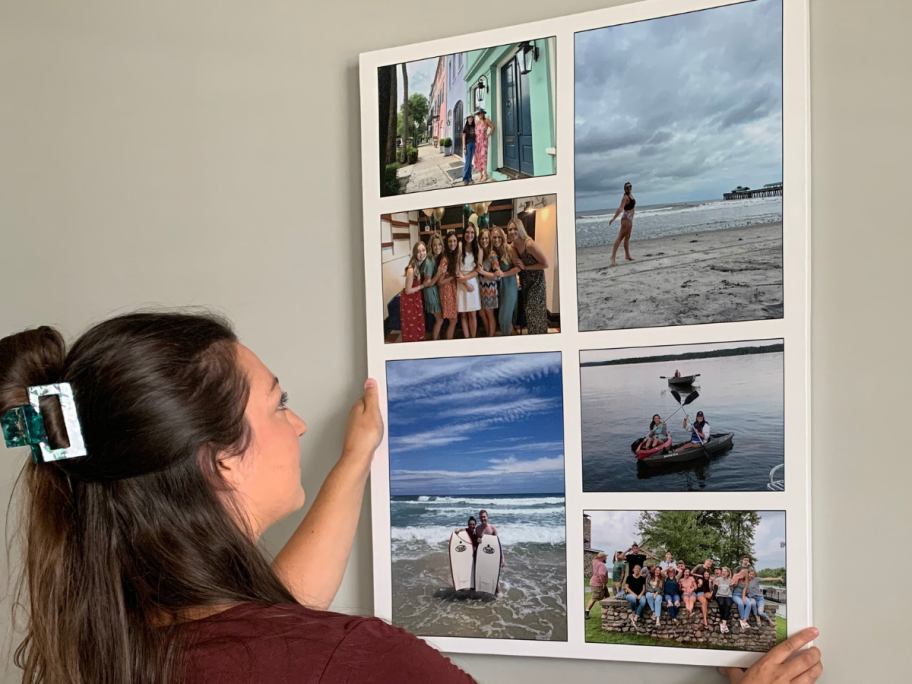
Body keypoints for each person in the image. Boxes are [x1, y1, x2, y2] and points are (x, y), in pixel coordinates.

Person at [0, 312, 823, 684]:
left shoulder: (105, 640)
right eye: (278, 403)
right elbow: (303, 642)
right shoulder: (351, 662)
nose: (297, 422)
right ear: (220, 464)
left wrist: (355, 458)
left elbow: (277, 611)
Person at [508, 218, 550, 335]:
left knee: (535, 312)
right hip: (525, 281)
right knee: (529, 313)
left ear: (520, 229)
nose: (512, 231)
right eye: (510, 229)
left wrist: (526, 268)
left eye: (515, 228)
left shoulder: (529, 244)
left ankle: (540, 339)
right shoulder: (513, 245)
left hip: (537, 281)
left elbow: (545, 264)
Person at [491, 226, 521, 336]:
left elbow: (518, 267)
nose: (496, 239)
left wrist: (504, 274)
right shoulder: (493, 252)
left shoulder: (509, 249)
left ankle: (508, 344)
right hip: (500, 288)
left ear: (503, 237)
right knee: (505, 319)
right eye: (494, 237)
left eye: (499, 237)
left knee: (504, 318)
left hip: (509, 287)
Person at [456, 218, 482, 338]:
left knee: (472, 313)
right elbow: (456, 268)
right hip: (461, 281)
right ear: (464, 233)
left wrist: (466, 279)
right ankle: (467, 339)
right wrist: (465, 282)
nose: (469, 235)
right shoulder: (459, 246)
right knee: (463, 314)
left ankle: (473, 338)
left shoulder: (478, 249)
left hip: (472, 281)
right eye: (467, 232)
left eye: (472, 232)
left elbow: (478, 270)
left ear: (475, 234)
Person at [399, 242, 427, 342]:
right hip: (409, 300)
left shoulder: (422, 265)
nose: (422, 253)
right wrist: (422, 286)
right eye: (419, 251)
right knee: (411, 328)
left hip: (416, 299)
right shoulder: (411, 269)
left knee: (418, 324)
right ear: (415, 253)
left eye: (423, 250)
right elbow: (408, 290)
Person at [475, 228, 500, 337]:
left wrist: (483, 272)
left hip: (490, 289)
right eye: (482, 239)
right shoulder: (480, 253)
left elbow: (497, 276)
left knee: (490, 314)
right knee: (482, 313)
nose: (484, 241)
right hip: (480, 288)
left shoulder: (492, 254)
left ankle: (491, 337)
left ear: (489, 239)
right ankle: (488, 334)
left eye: (486, 238)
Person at [606, 181, 636, 265]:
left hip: (630, 218)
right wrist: (614, 218)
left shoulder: (631, 195)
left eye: (630, 186)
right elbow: (620, 208)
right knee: (620, 237)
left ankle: (627, 255)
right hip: (626, 219)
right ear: (624, 189)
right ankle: (612, 257)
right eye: (627, 187)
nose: (629, 188)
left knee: (627, 237)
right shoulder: (625, 197)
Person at [438, 232, 461, 339]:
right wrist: (453, 276)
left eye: (454, 241)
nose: (452, 243)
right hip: (447, 292)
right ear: (446, 243)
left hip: (452, 290)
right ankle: (449, 343)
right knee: (453, 320)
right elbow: (440, 282)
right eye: (450, 241)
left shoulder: (454, 255)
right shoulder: (445, 259)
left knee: (453, 320)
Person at [421, 234, 445, 340]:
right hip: (431, 293)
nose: (437, 247)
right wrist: (439, 273)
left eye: (439, 244)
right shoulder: (428, 261)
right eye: (434, 245)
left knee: (439, 319)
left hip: (436, 291)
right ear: (431, 246)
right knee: (440, 319)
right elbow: (428, 284)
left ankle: (437, 338)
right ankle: (435, 342)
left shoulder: (438, 258)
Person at [472, 109, 494, 183]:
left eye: (481, 113)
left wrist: (489, 134)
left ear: (483, 114)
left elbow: (492, 127)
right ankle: (480, 174)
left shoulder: (486, 120)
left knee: (483, 157)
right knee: (477, 158)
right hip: (476, 142)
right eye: (478, 114)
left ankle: (485, 174)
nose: (479, 115)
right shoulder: (476, 122)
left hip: (483, 142)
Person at [586, 552, 609, 619]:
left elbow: (594, 558)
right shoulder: (601, 565)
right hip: (598, 584)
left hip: (596, 583)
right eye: (605, 557)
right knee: (594, 598)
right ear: (602, 558)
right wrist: (604, 584)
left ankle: (608, 612)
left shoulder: (595, 561)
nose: (606, 558)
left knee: (607, 596)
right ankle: (586, 612)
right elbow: (601, 575)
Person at [715, 567, 736, 634]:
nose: (723, 572)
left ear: (728, 573)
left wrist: (733, 585)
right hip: (720, 595)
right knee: (721, 604)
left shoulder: (730, 580)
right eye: (723, 571)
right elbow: (713, 589)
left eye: (725, 571)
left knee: (728, 604)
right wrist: (714, 584)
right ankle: (724, 624)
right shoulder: (717, 579)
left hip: (728, 595)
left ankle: (723, 624)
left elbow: (732, 590)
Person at [461, 115, 476, 185]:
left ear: (473, 119)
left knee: (470, 162)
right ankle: (465, 179)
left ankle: (469, 178)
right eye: (469, 118)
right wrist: (464, 148)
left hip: (473, 145)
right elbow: (463, 138)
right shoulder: (465, 128)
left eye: (471, 118)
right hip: (468, 145)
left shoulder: (474, 126)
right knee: (467, 162)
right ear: (467, 119)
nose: (470, 119)